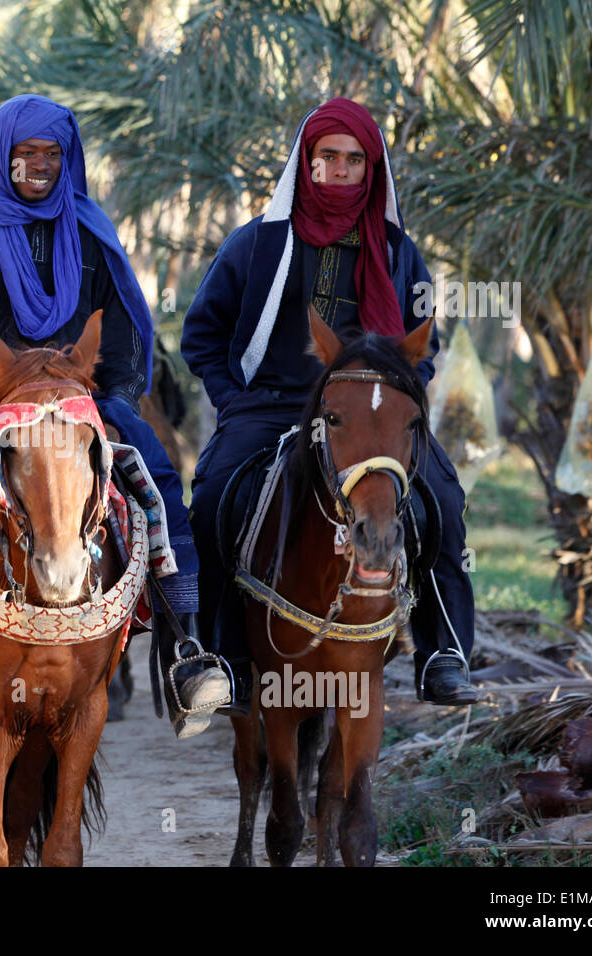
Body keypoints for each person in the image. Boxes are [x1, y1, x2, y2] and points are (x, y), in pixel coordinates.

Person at [0, 93, 231, 738]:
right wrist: (8, 379)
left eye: (53, 154)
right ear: (2, 156)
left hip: (83, 402)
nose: (41, 165)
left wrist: (117, 399)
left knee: (157, 480)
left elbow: (127, 331)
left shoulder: (92, 234)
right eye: (27, 154)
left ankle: (187, 651)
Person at [182, 97, 477, 708]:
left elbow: (425, 343)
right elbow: (202, 335)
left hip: (370, 413)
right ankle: (219, 662)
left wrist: (395, 398)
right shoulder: (254, 246)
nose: (341, 170)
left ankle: (443, 653)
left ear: (371, 171)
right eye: (328, 158)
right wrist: (233, 400)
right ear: (306, 164)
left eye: (354, 161)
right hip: (269, 406)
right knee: (211, 502)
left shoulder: (399, 252)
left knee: (443, 499)